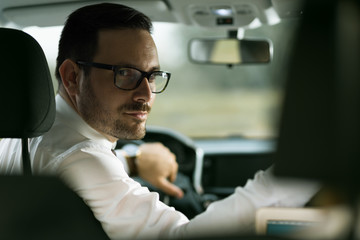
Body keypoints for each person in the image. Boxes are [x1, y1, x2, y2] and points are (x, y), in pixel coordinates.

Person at [0, 3, 319, 239]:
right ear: (72, 76)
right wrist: (296, 173)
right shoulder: (82, 158)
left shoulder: (24, 135)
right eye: (125, 74)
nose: (146, 94)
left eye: (152, 76)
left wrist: (133, 161)